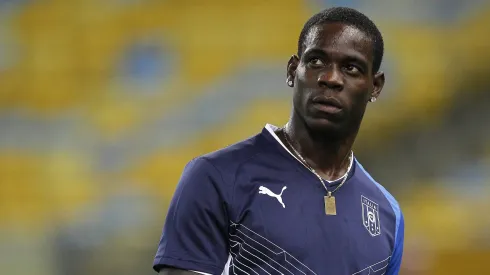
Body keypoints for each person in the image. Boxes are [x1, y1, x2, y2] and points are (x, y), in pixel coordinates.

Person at [153, 6, 404, 275]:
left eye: (351, 68)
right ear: (292, 70)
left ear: (375, 86)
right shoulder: (216, 177)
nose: (330, 78)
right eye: (316, 61)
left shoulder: (388, 214)